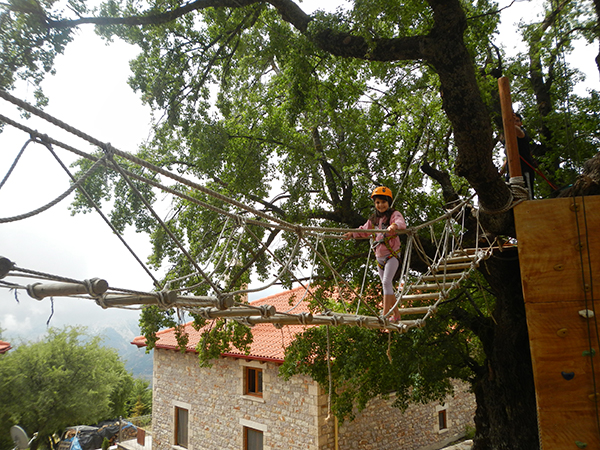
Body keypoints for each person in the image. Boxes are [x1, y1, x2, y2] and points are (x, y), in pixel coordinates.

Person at [344, 186, 406, 322]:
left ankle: (384, 315)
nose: (380, 205)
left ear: (389, 202)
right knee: (387, 284)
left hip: (392, 254)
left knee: (386, 282)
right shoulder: (373, 220)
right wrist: (352, 233)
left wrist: (394, 226)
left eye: (383, 202)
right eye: (377, 202)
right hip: (379, 257)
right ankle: (396, 315)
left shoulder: (394, 215)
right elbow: (363, 230)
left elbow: (401, 222)